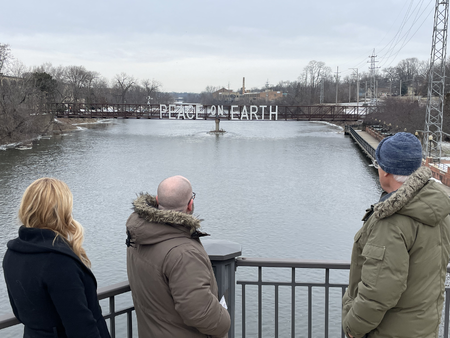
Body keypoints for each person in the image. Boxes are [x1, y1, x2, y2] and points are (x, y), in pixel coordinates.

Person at [342, 132, 450, 338]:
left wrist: (352, 328)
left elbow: (379, 292)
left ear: (386, 172)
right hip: (423, 328)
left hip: (389, 331)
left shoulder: (392, 221)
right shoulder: (438, 209)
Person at [2, 178, 111, 338]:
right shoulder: (58, 261)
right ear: (63, 211)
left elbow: (19, 312)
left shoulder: (12, 253)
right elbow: (81, 327)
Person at [126, 175, 230, 338]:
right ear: (190, 204)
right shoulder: (184, 253)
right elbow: (200, 312)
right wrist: (225, 320)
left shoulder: (139, 235)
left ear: (157, 199)